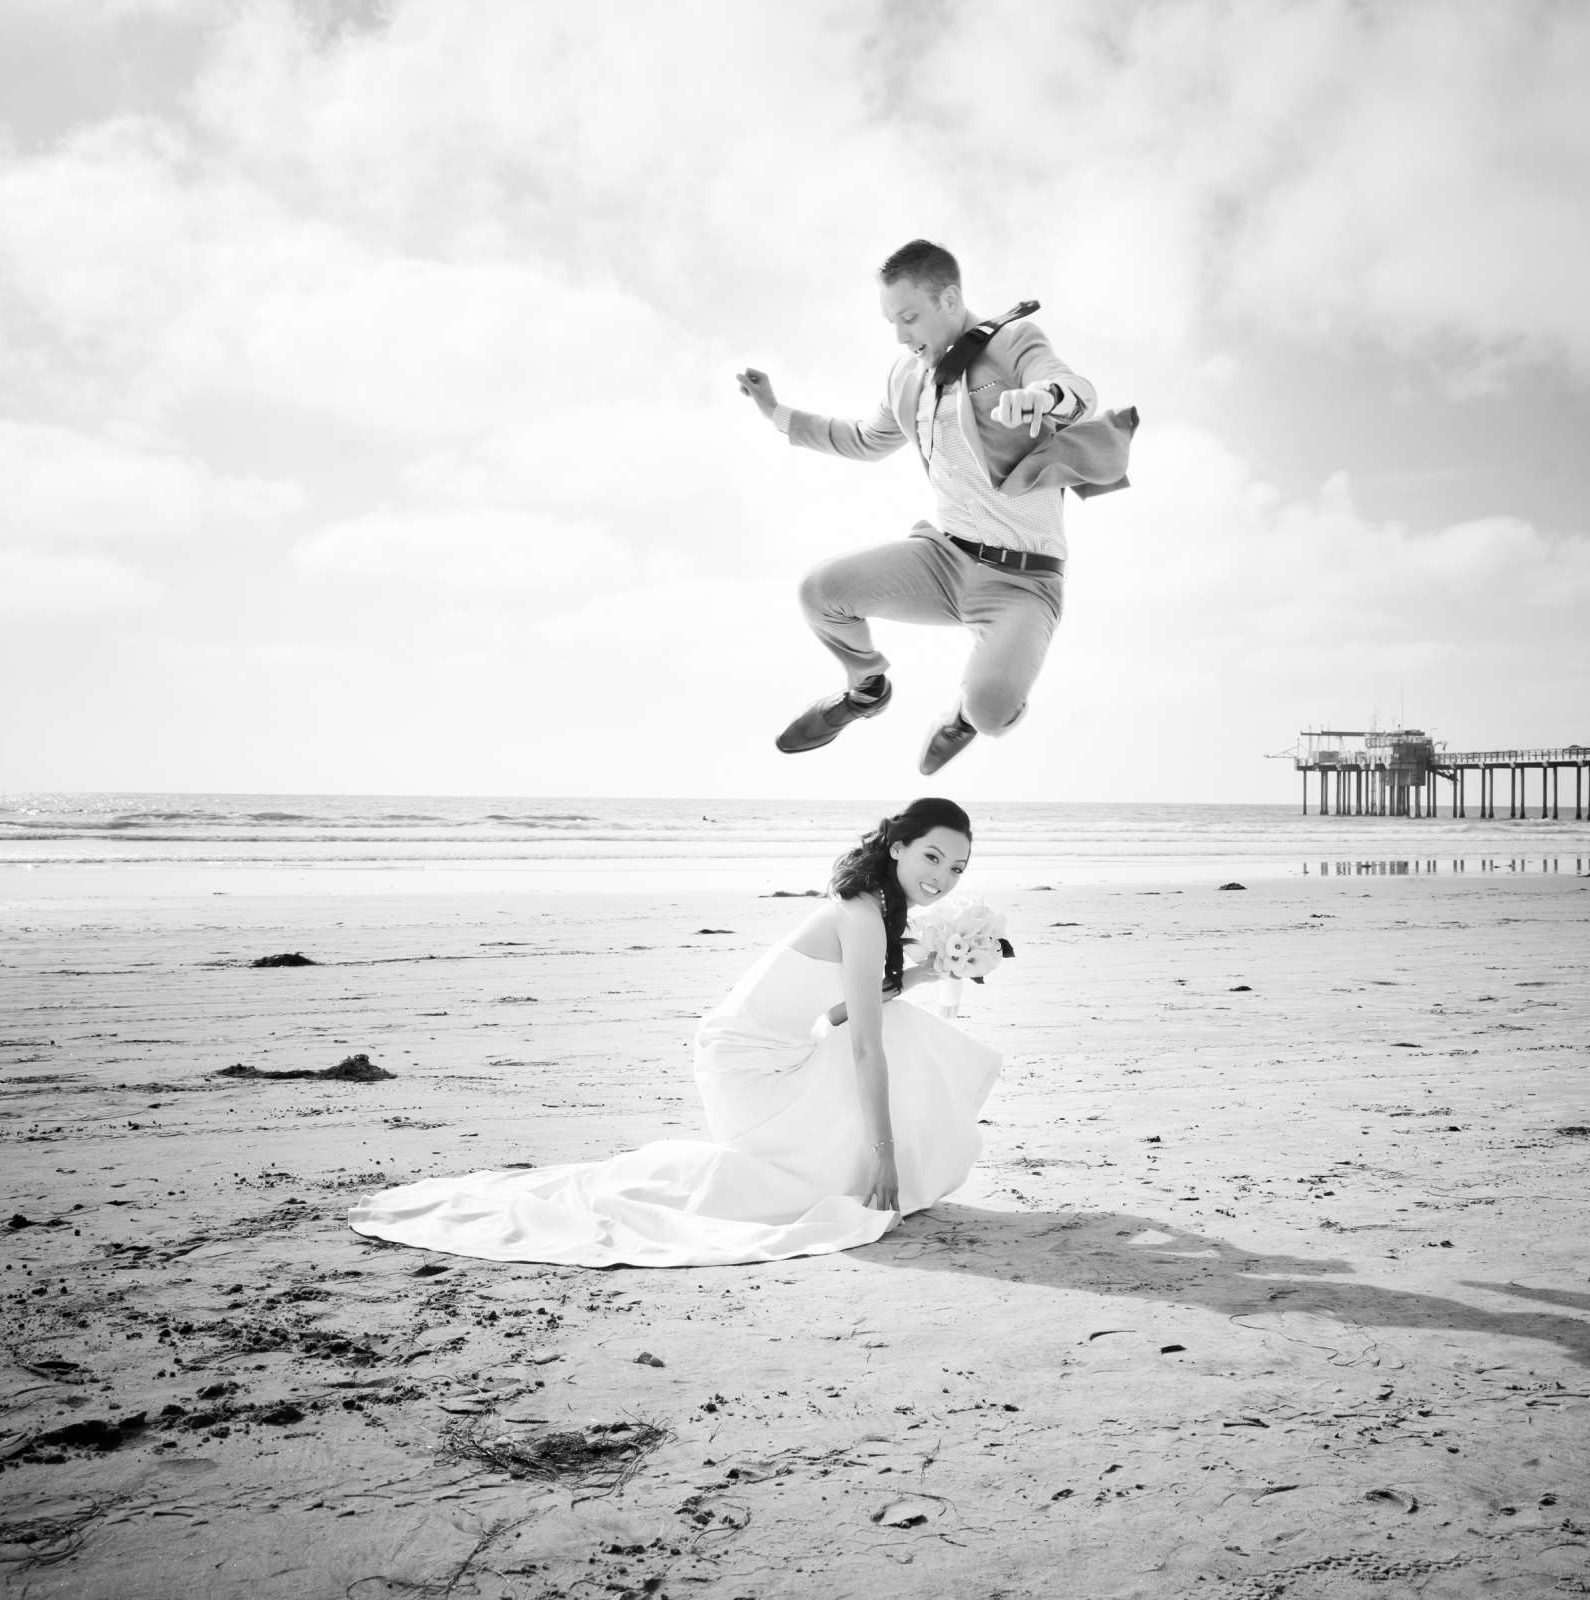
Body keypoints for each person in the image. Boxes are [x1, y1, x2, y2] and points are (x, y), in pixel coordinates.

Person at [346, 799, 1001, 1267]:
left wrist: (923, 972)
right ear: (898, 849)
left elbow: (837, 1017)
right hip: (747, 1075)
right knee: (893, 1041)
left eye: (957, 869)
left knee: (900, 1027)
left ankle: (883, 1173)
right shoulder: (862, 913)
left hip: (767, 1059)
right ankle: (890, 1172)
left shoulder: (875, 912)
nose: (941, 877)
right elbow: (859, 1041)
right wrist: (884, 1155)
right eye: (932, 856)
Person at [736, 239, 1136, 775]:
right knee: (819, 592)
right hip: (944, 561)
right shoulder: (906, 376)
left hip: (1023, 583)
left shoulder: (1013, 341)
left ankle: (966, 717)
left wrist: (1044, 398)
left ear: (949, 299)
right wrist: (776, 412)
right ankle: (866, 689)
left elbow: (1073, 386)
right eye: (891, 322)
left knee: (993, 712)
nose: (902, 336)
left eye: (910, 318)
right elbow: (863, 439)